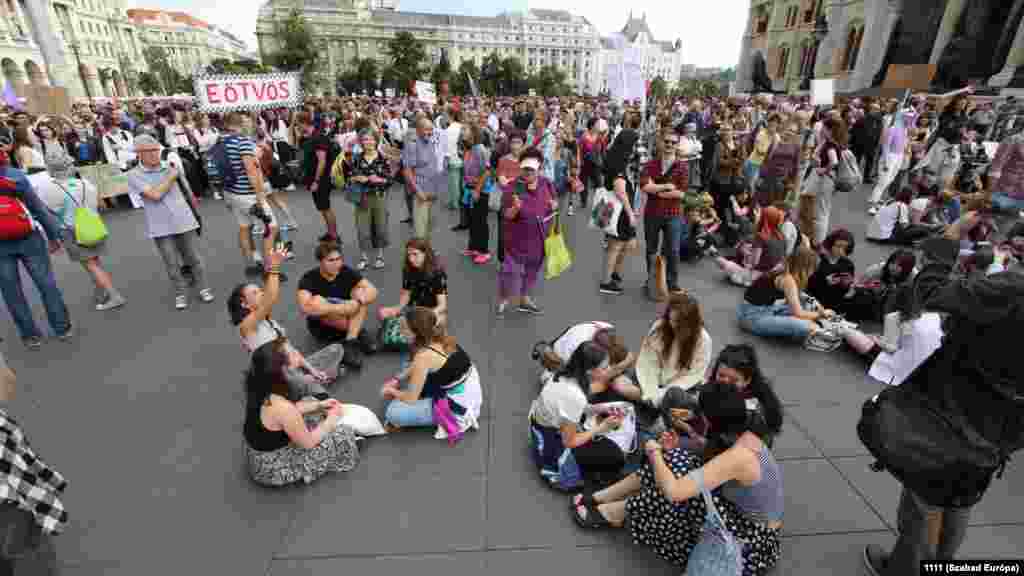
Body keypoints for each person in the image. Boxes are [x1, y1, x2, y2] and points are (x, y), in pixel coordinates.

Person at [570, 384, 783, 576]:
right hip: (740, 512)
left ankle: (614, 510)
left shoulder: (739, 456)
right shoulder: (743, 429)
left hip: (750, 540)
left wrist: (654, 453)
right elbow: (707, 459)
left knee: (672, 486)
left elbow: (675, 491)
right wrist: (668, 452)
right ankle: (605, 498)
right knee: (675, 459)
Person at [228, 248, 345, 401]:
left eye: (260, 290)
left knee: (336, 349)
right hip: (279, 379)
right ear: (244, 304)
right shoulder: (246, 326)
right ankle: (312, 386)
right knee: (315, 392)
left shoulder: (270, 322)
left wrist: (313, 370)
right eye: (255, 293)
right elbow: (271, 298)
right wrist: (274, 266)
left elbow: (290, 350)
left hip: (292, 370)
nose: (262, 293)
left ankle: (314, 379)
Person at [243, 341, 359, 487]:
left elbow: (286, 412)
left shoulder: (259, 387)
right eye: (289, 357)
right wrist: (332, 419)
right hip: (273, 467)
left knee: (310, 403)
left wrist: (318, 405)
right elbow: (308, 443)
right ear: (283, 373)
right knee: (343, 434)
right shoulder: (283, 408)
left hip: (258, 456)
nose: (296, 356)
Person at [0, 132, 72, 349]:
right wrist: (53, 236)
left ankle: (30, 335)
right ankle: (61, 327)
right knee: (45, 282)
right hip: (28, 236)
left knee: (11, 290)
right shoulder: (14, 176)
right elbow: (38, 209)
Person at [126, 134, 214, 310]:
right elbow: (154, 195)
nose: (154, 154)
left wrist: (194, 211)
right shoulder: (133, 175)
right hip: (160, 226)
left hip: (184, 219)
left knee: (194, 258)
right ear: (139, 154)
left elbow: (187, 189)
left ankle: (203, 287)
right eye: (149, 151)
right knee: (171, 262)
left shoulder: (171, 166)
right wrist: (171, 177)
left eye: (156, 150)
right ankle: (180, 293)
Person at [529, 342, 629, 489]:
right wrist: (602, 427)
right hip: (553, 441)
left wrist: (603, 408)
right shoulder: (575, 396)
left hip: (544, 425)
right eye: (604, 368)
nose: (609, 370)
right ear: (590, 371)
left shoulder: (564, 372)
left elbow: (576, 408)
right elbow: (570, 442)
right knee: (616, 456)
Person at [38, 152, 126, 311]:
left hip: (70, 230)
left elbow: (47, 213)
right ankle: (101, 292)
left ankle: (114, 295)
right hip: (93, 225)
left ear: (50, 169)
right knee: (94, 261)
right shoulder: (85, 183)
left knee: (90, 264)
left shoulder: (47, 190)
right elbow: (98, 205)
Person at [381, 307, 482, 439]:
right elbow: (415, 365)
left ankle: (437, 413)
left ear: (417, 333)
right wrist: (398, 378)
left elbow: (411, 398)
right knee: (407, 363)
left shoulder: (423, 357)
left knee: (392, 412)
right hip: (468, 387)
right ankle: (422, 397)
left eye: (404, 329)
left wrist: (391, 391)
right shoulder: (440, 335)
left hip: (457, 405)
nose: (400, 331)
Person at [296, 240, 379, 370]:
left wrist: (358, 301)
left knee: (360, 293)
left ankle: (351, 341)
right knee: (317, 302)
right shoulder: (309, 278)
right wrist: (341, 308)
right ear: (321, 262)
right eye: (331, 260)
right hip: (323, 326)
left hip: (347, 318)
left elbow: (373, 290)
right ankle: (357, 332)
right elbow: (305, 307)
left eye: (339, 259)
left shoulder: (345, 271)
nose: (336, 264)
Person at [496, 148, 556, 318]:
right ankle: (504, 299)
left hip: (539, 237)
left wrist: (554, 206)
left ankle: (524, 299)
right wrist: (515, 208)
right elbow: (506, 215)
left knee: (532, 271)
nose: (528, 172)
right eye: (525, 168)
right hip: (516, 240)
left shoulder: (546, 183)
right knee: (509, 272)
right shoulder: (512, 187)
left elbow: (553, 203)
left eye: (532, 169)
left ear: (539, 168)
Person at [222, 112, 279, 278]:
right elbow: (251, 171)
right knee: (271, 227)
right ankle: (269, 269)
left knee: (244, 227)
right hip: (247, 194)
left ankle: (251, 264)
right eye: (247, 122)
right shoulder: (243, 142)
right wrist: (260, 197)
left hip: (232, 192)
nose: (250, 125)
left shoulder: (221, 141)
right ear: (240, 124)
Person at [635, 292, 712, 406]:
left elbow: (693, 374)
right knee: (623, 385)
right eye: (672, 320)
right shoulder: (659, 328)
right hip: (652, 382)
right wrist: (651, 392)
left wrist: (664, 394)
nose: (674, 326)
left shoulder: (703, 340)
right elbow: (647, 363)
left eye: (680, 323)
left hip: (681, 388)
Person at [639, 130, 687, 296]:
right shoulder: (650, 164)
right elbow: (644, 186)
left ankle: (672, 283)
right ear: (661, 143)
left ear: (677, 145)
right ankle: (651, 280)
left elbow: (682, 193)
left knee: (672, 250)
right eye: (667, 142)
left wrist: (656, 189)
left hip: (673, 214)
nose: (669, 145)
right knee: (651, 249)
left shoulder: (682, 167)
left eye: (673, 143)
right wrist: (667, 187)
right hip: (652, 213)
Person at [348, 129, 394, 271]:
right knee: (362, 228)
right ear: (361, 142)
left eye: (371, 139)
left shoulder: (383, 158)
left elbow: (390, 180)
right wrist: (357, 178)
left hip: (379, 197)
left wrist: (379, 180)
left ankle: (380, 256)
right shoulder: (356, 158)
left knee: (380, 227)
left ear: (376, 141)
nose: (368, 142)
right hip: (362, 197)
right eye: (365, 139)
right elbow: (349, 177)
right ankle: (364, 257)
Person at [379, 237, 448, 327]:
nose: (411, 259)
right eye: (409, 255)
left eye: (415, 254)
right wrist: (397, 308)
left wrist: (429, 314)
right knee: (383, 313)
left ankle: (414, 327)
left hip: (431, 310)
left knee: (440, 321)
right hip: (414, 308)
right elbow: (406, 293)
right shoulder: (407, 269)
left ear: (425, 254)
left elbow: (442, 305)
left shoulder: (438, 272)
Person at [298, 111, 340, 243]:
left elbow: (322, 161)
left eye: (298, 124)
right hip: (316, 179)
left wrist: (316, 181)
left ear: (304, 123)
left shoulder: (318, 137)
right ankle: (331, 233)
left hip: (321, 179)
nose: (297, 127)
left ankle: (334, 236)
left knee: (325, 207)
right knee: (323, 208)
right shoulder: (312, 137)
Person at [402, 117, 444, 241]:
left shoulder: (430, 142)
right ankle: (420, 254)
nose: (430, 132)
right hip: (421, 193)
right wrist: (417, 191)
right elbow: (407, 171)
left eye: (431, 129)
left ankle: (427, 251)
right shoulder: (412, 145)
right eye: (427, 129)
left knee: (430, 225)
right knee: (420, 229)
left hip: (432, 191)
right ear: (418, 130)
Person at [463, 124, 493, 264]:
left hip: (480, 191)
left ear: (473, 133)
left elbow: (487, 171)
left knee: (480, 221)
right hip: (470, 189)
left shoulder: (480, 149)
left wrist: (477, 190)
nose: (463, 132)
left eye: (466, 130)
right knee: (473, 220)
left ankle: (484, 251)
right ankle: (473, 247)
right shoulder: (469, 149)